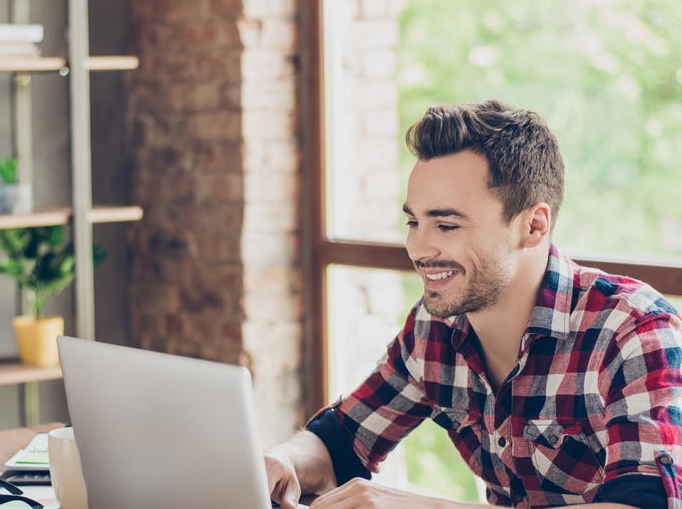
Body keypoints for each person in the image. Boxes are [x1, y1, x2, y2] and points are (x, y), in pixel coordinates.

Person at [265, 100, 682, 508]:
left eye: (446, 225)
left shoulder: (634, 331)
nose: (417, 247)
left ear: (533, 226)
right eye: (414, 221)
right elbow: (342, 438)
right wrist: (283, 460)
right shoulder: (435, 328)